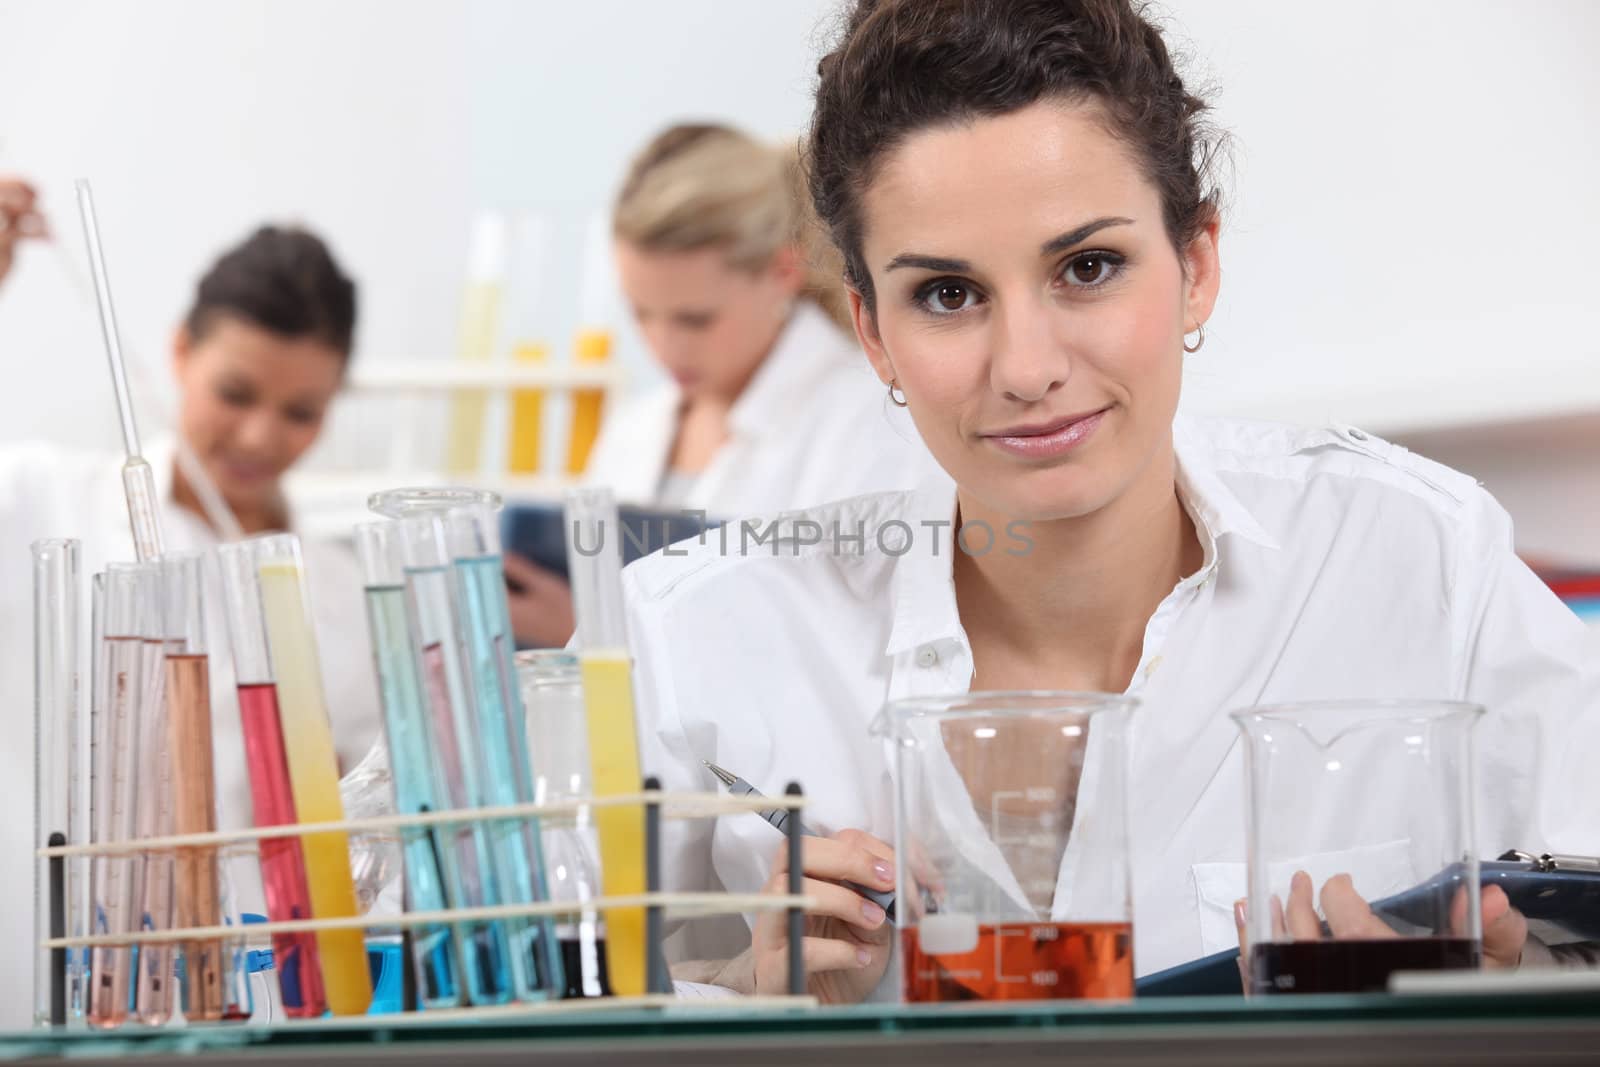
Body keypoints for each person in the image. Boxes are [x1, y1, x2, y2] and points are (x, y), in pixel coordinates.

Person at [615, 0, 1600, 1001]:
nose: (1027, 367)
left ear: (1197, 266)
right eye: (947, 294)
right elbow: (555, 1000)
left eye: (1087, 267)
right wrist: (750, 1000)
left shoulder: (1415, 559)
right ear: (871, 331)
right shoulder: (695, 634)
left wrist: (1501, 986)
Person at [0, 222, 382, 1023]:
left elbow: (363, 839)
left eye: (300, 411)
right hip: (51, 983)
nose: (259, 437)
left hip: (265, 1003)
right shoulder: (41, 500)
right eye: (235, 393)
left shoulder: (343, 594)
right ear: (177, 352)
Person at [504, 123, 935, 646]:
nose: (664, 347)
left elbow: (846, 648)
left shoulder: (872, 423)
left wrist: (594, 637)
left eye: (695, 320)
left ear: (783, 271)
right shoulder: (636, 426)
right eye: (641, 314)